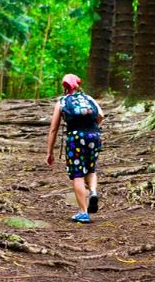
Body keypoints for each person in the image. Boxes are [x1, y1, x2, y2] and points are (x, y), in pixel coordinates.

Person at [46, 74, 104, 223]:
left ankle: (83, 212)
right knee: (91, 169)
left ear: (64, 87)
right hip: (94, 136)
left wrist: (50, 152)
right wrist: (93, 130)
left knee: (78, 174)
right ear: (78, 85)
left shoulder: (62, 101)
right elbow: (101, 116)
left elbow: (53, 129)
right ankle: (93, 192)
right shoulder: (89, 98)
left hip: (75, 138)